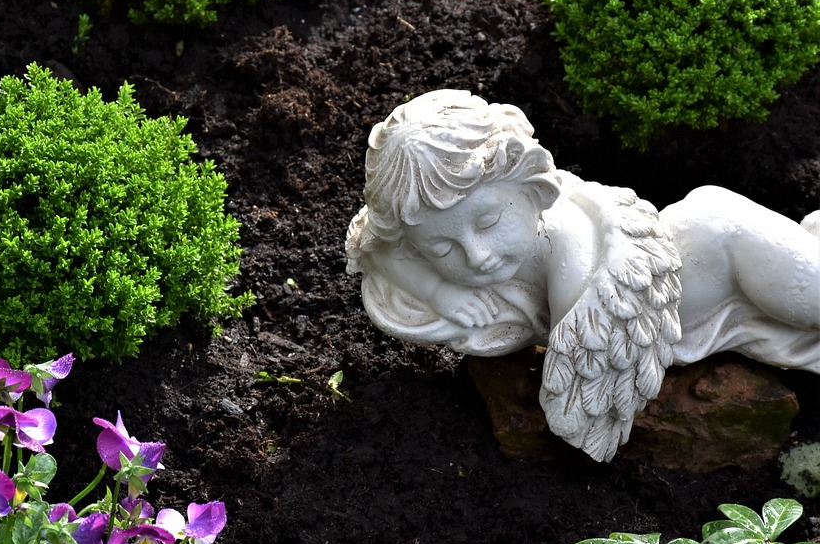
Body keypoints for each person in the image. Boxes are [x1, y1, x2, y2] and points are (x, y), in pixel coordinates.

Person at [345, 89, 820, 460]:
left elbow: (584, 372)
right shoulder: (423, 235)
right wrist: (438, 291)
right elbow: (375, 249)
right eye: (443, 247)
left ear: (529, 186)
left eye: (489, 222)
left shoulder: (568, 239)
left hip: (721, 247)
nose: (477, 256)